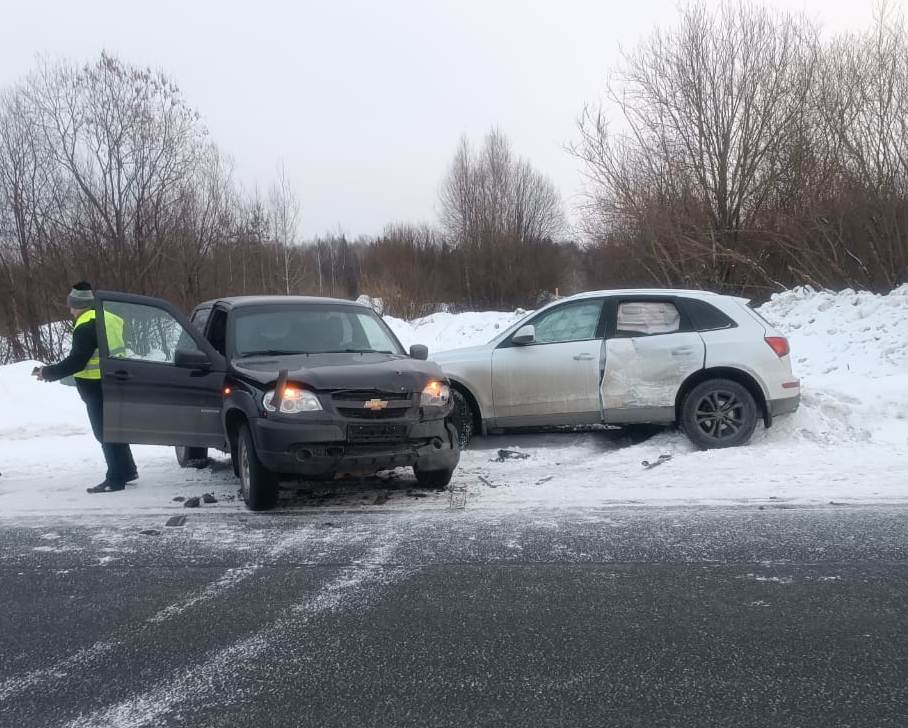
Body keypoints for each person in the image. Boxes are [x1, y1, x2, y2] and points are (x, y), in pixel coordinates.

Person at [33, 282, 138, 493]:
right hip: (116, 380)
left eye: (72, 306)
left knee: (104, 433)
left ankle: (115, 478)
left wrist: (48, 372)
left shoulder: (84, 326)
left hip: (96, 385)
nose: (70, 310)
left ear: (79, 305)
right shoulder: (110, 317)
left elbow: (77, 362)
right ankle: (127, 470)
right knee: (115, 428)